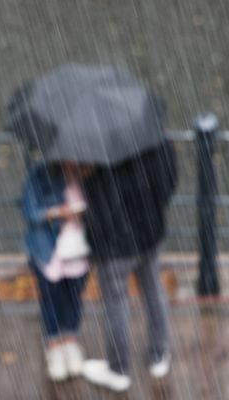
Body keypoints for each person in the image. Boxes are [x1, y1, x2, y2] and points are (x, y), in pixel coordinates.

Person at [81, 140, 178, 392]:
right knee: (153, 289)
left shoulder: (97, 147)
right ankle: (159, 354)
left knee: (116, 303)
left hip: (116, 245)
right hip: (150, 232)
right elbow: (170, 179)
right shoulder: (155, 138)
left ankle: (118, 369)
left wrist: (95, 236)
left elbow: (97, 205)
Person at [20, 161, 92, 381]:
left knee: (74, 297)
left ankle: (70, 341)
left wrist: (86, 214)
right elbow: (30, 211)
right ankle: (53, 345)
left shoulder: (92, 175)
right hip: (48, 248)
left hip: (81, 249)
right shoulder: (40, 174)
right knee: (50, 299)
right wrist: (58, 213)